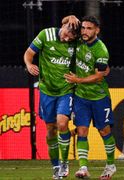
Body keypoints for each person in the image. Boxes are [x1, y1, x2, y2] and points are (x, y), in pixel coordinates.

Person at [23, 20, 79, 179]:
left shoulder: (74, 43)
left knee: (62, 123)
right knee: (50, 130)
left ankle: (64, 163)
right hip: (47, 91)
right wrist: (29, 64)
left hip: (65, 90)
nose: (67, 39)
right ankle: (55, 166)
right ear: (64, 26)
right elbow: (29, 53)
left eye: (71, 38)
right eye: (67, 35)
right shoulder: (45, 34)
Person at [63, 16, 116, 179]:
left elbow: (100, 76)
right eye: (83, 28)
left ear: (97, 30)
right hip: (81, 96)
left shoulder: (101, 49)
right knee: (81, 130)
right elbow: (64, 26)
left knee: (104, 131)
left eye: (89, 28)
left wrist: (77, 80)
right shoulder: (78, 40)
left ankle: (110, 165)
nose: (85, 31)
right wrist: (70, 16)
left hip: (99, 97)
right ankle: (83, 168)